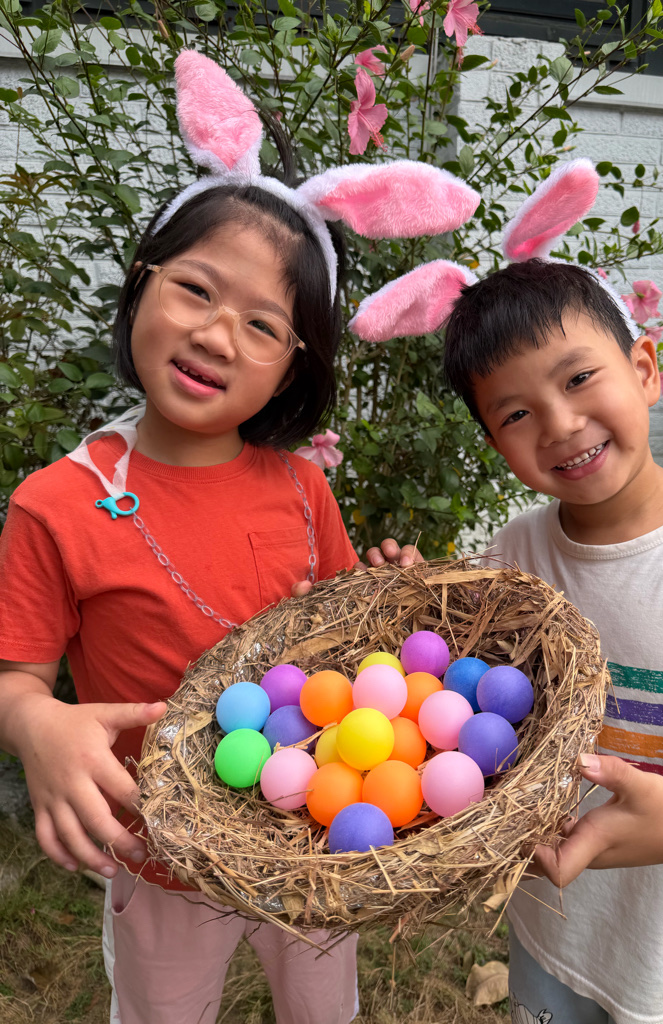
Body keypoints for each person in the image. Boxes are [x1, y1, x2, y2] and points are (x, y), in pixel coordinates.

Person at [0, 51, 478, 1024]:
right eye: (195, 290)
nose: (219, 335)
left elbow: (349, 646)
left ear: (295, 368)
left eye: (264, 325)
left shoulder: (302, 489)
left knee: (321, 1006)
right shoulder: (58, 503)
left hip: (313, 833)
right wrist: (33, 723)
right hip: (162, 851)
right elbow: (17, 675)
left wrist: (392, 608)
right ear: (141, 284)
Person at [350, 159, 663, 1024]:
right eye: (515, 414)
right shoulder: (517, 551)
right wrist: (416, 610)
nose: (562, 424)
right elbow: (462, 684)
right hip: (551, 927)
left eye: (579, 379)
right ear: (494, 442)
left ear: (645, 368)